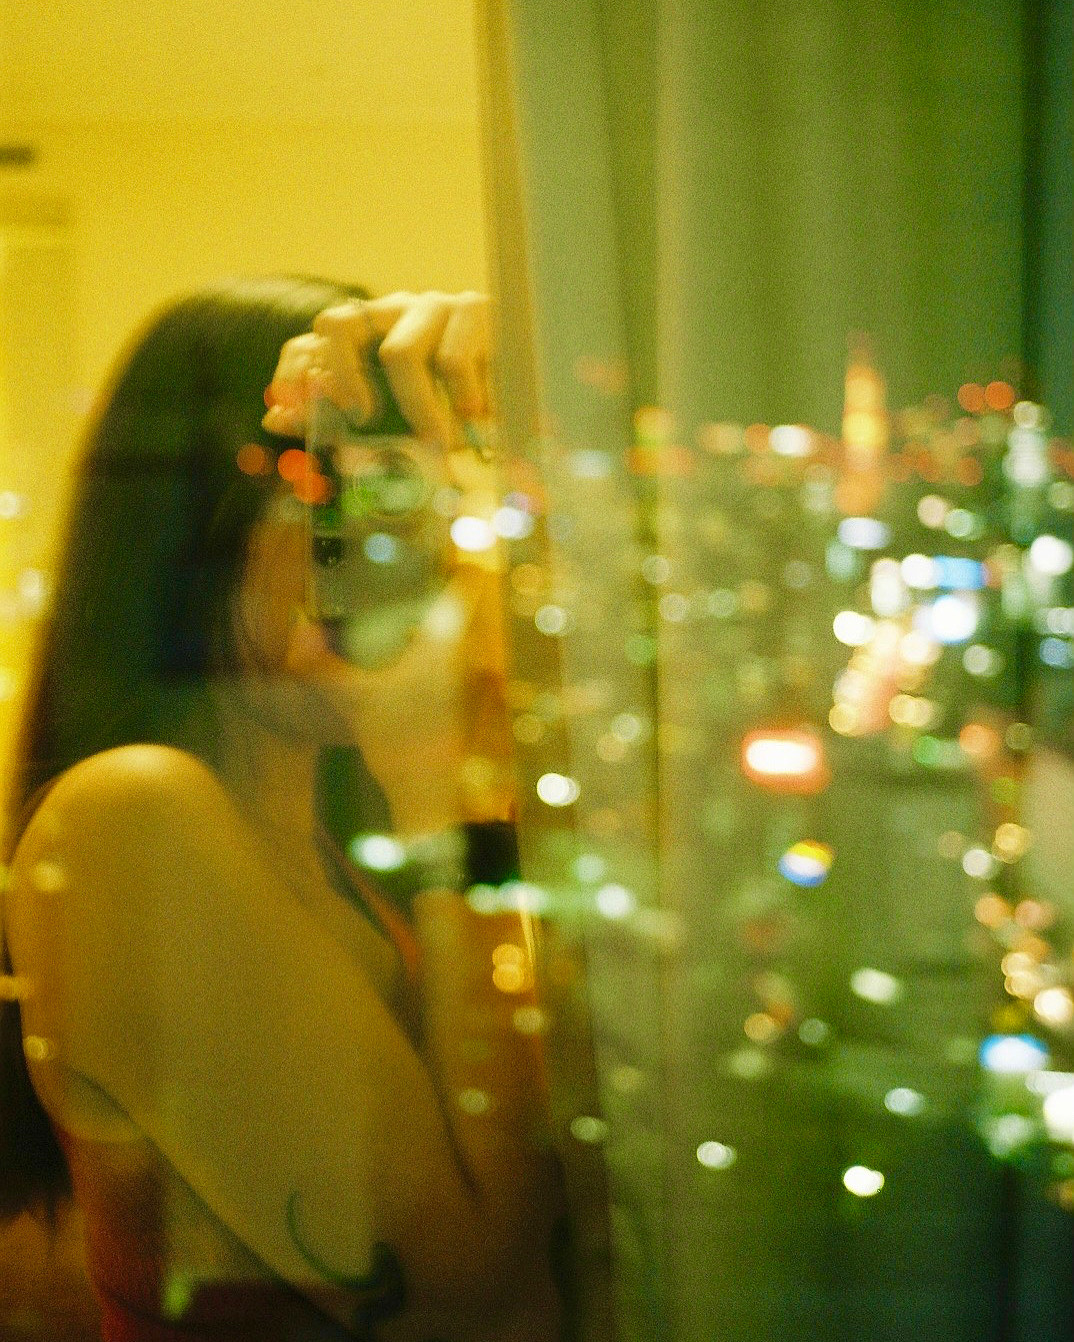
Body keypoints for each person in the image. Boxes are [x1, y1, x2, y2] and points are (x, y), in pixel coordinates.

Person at [0, 277, 563, 1342]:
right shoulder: (131, 815)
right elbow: (482, 1305)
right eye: (345, 495)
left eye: (425, 496)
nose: (412, 548)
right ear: (201, 523)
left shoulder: (340, 849)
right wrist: (448, 784)